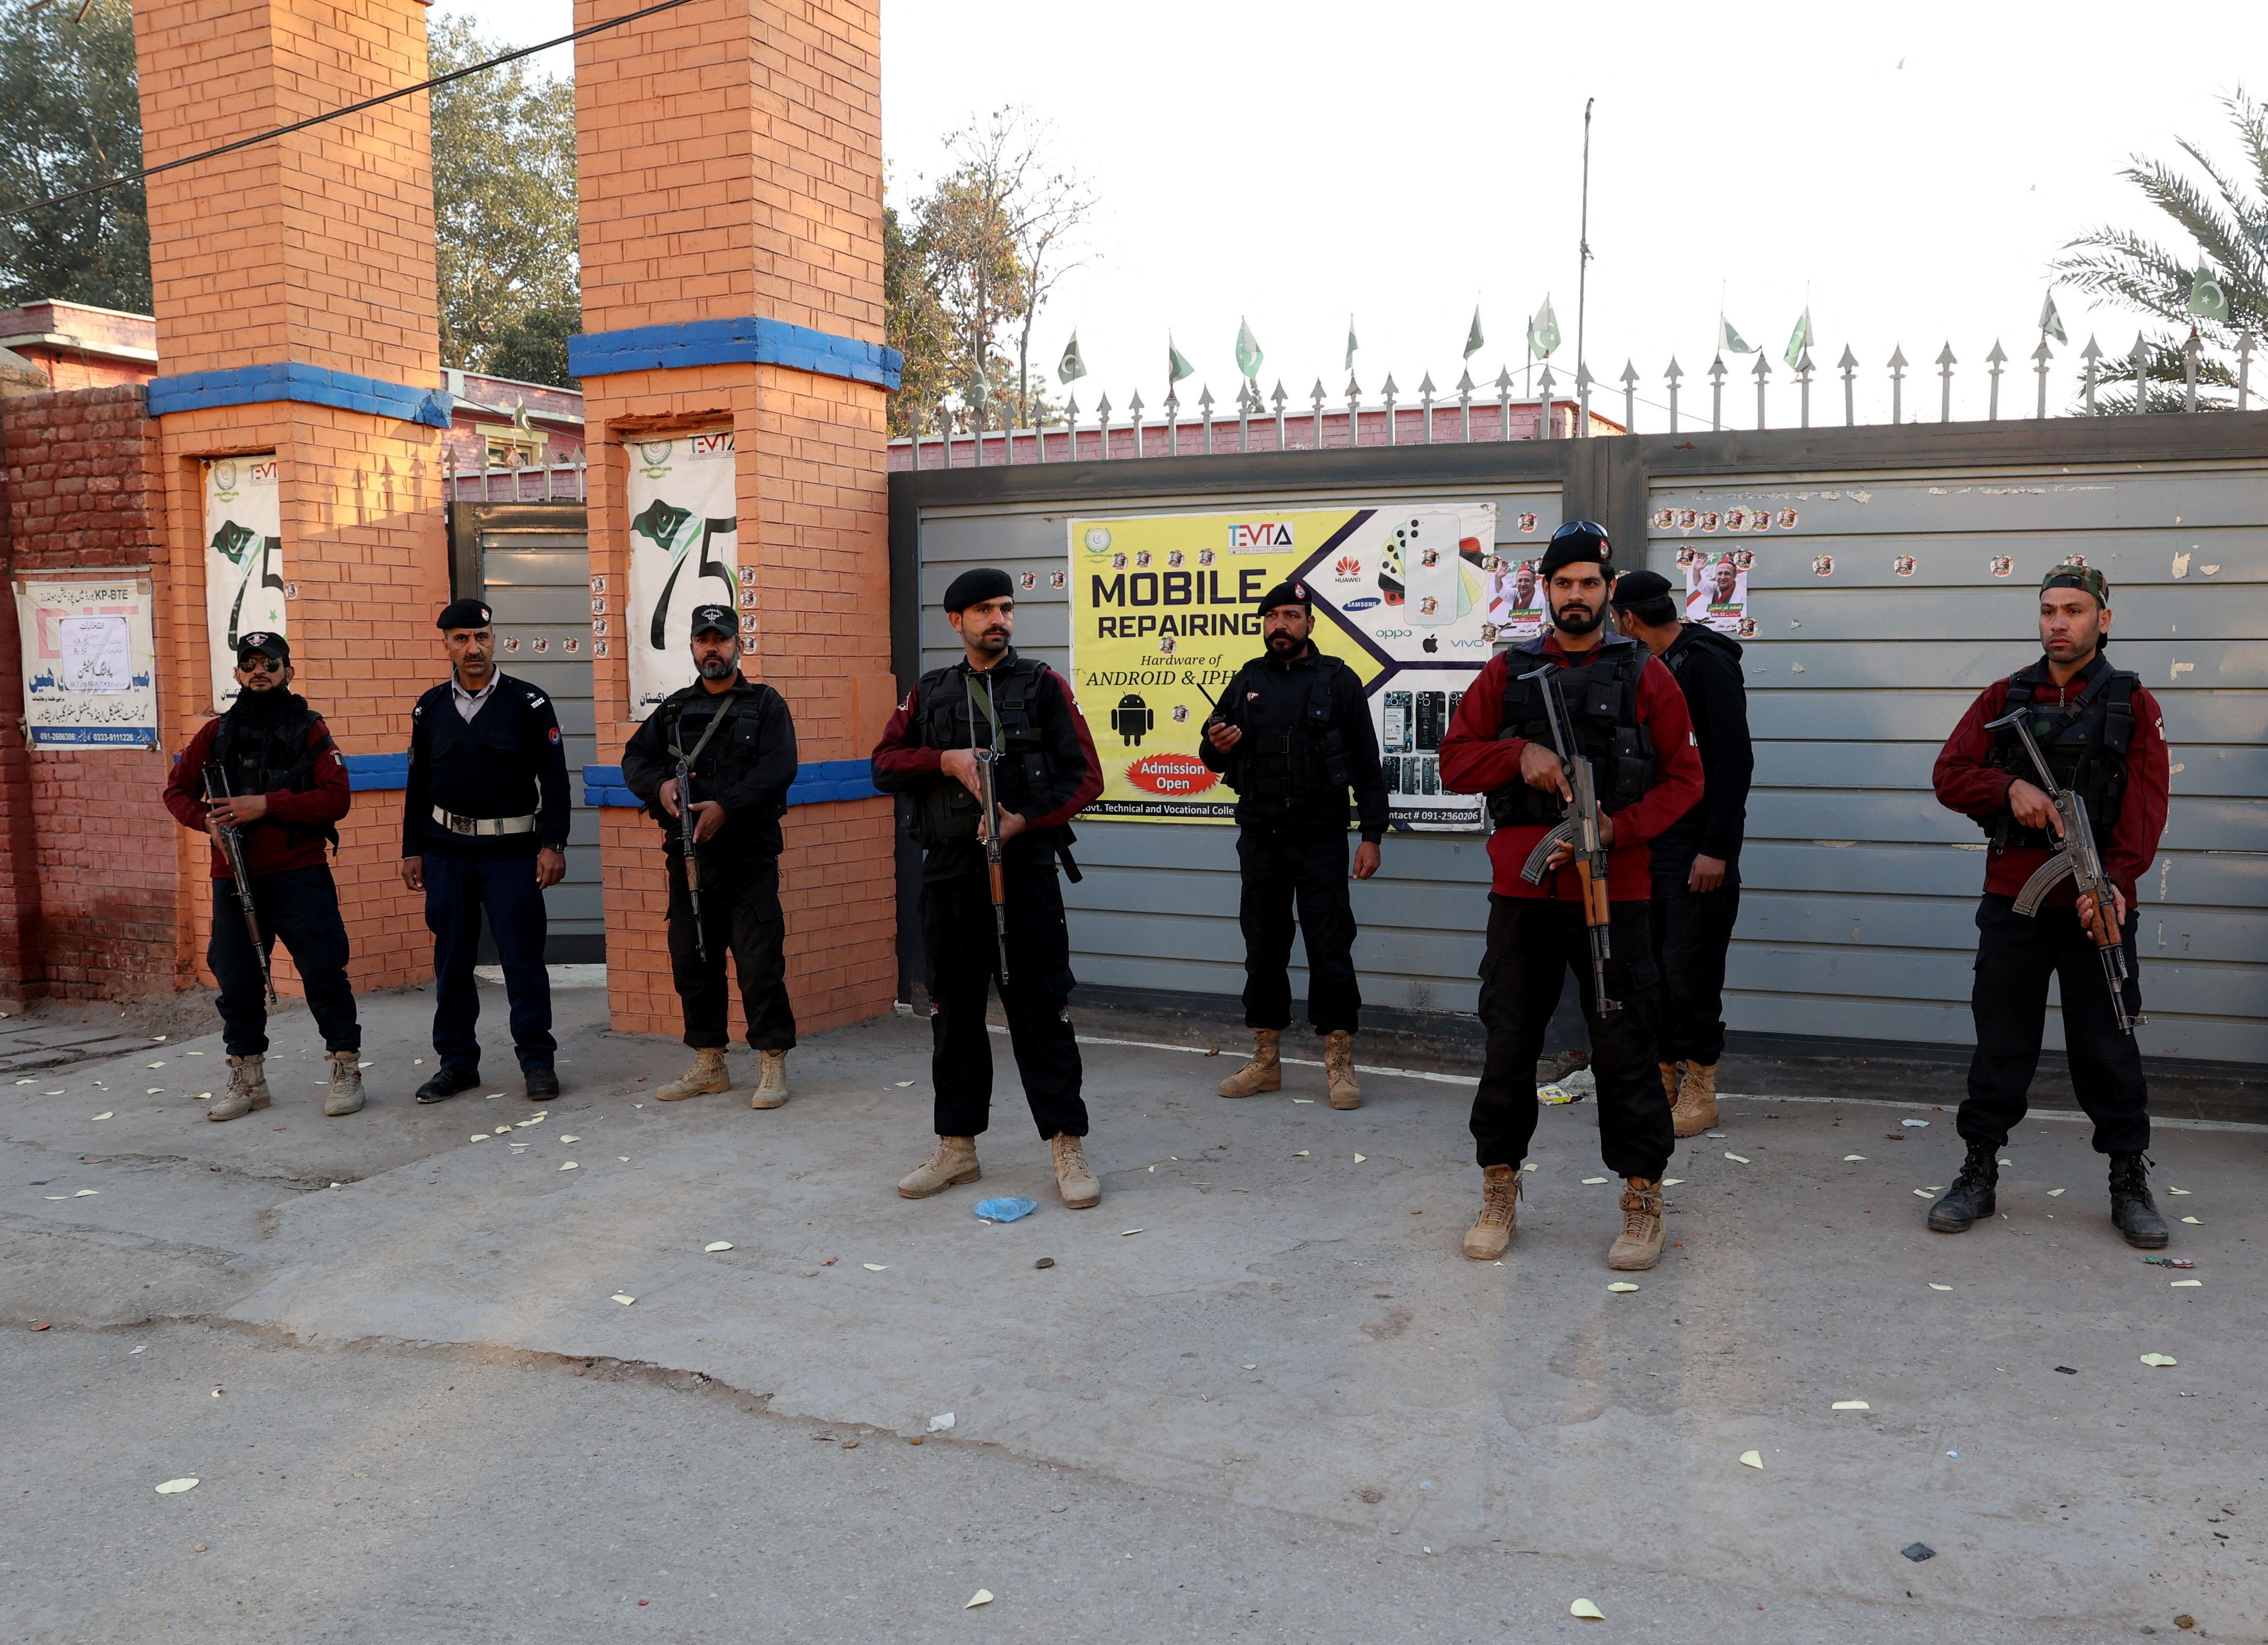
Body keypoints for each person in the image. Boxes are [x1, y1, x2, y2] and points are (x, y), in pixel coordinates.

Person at [1439, 521, 1703, 1269]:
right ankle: (1498, 1185)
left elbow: (1687, 780)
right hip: (1520, 893)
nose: (1576, 595)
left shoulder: (1645, 673)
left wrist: (1619, 829)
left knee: (1625, 1050)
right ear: (1544, 589)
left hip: (1613, 893)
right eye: (1563, 583)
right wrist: (1515, 753)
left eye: (1589, 582)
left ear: (1608, 590)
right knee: (1508, 1045)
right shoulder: (1508, 672)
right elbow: (1454, 761)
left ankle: (1642, 1195)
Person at [1927, 563, 2171, 1248]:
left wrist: (2112, 883)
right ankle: (1976, 1170)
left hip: (2095, 902)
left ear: (2102, 618)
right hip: (2015, 901)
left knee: (2107, 1043)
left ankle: (2128, 1177)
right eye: (2046, 611)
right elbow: (1948, 774)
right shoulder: (2003, 696)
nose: (2057, 623)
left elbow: (2145, 809)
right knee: (2001, 1040)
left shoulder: (2132, 704)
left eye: (2071, 610)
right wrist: (2006, 790)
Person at [870, 568, 1104, 1208]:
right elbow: (882, 764)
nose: (997, 619)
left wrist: (1024, 819)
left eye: (1005, 608)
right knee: (953, 1013)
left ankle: (1065, 1142)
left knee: (1041, 1009)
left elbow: (1086, 777)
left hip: (1023, 872)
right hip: (948, 874)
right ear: (956, 622)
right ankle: (957, 1146)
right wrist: (942, 760)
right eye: (982, 610)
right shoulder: (929, 693)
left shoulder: (1044, 686)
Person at [1199, 580, 1387, 1108]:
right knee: (1263, 950)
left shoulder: (1339, 681)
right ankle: (1265, 1061)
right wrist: (1216, 744)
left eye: (1290, 615)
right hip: (1260, 839)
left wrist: (1371, 835)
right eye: (1271, 616)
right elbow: (1211, 754)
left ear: (1309, 623)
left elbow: (1368, 766)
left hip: (1321, 839)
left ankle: (1338, 1061)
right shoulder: (1246, 681)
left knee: (1330, 950)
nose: (1279, 624)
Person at [162, 632, 361, 1121]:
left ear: (287, 671)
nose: (259, 671)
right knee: (237, 980)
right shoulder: (216, 734)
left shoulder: (311, 730)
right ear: (236, 675)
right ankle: (248, 1078)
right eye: (249, 664)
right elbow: (177, 791)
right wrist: (206, 822)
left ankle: (345, 1069)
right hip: (232, 876)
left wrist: (266, 805)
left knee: (323, 972)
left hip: (299, 874)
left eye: (269, 663)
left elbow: (336, 799)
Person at [621, 605, 800, 1107]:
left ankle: (771, 1061)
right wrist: (658, 787)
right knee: (693, 962)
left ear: (737, 643)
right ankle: (709, 1061)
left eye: (720, 639)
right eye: (703, 640)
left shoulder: (765, 704)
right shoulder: (674, 710)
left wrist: (728, 806)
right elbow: (634, 757)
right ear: (693, 647)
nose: (712, 649)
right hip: (688, 860)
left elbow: (780, 767)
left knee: (759, 964)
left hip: (747, 860)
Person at [400, 598, 571, 1103]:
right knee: (451, 964)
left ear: (494, 640)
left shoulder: (529, 703)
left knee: (522, 962)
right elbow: (419, 784)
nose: (473, 648)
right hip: (446, 856)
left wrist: (553, 844)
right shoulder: (429, 707)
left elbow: (556, 782)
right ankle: (456, 1065)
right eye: (461, 639)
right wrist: (413, 849)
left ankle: (537, 1063)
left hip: (511, 856)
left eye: (481, 637)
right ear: (447, 645)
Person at [1609, 569, 1754, 1135]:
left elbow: (1734, 763)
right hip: (1656, 847)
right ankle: (1662, 1076)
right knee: (1655, 970)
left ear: (1626, 618)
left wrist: (1716, 848)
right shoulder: (1652, 664)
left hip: (1699, 851)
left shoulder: (1705, 664)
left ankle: (1700, 1087)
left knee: (1691, 972)